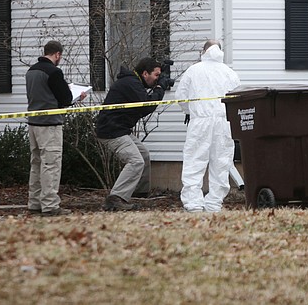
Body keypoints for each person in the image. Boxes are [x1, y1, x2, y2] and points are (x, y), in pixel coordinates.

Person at [176, 40, 241, 212]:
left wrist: (190, 111)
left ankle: (193, 203)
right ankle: (214, 202)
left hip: (200, 122)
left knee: (195, 161)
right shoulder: (229, 72)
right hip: (224, 121)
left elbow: (181, 96)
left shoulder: (194, 70)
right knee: (221, 162)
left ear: (203, 51)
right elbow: (237, 98)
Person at [95, 57, 167, 211]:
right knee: (136, 161)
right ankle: (116, 198)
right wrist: (160, 89)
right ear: (145, 73)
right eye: (156, 75)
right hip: (111, 131)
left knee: (144, 155)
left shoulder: (134, 82)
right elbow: (146, 106)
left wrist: (158, 87)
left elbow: (142, 106)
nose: (157, 79)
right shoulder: (131, 83)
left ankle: (138, 193)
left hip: (120, 129)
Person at [26, 40, 86, 217]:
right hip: (50, 124)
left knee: (36, 163)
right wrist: (78, 97)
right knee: (50, 164)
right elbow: (65, 99)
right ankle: (50, 204)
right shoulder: (54, 72)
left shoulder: (31, 71)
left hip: (33, 122)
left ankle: (34, 202)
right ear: (57, 54)